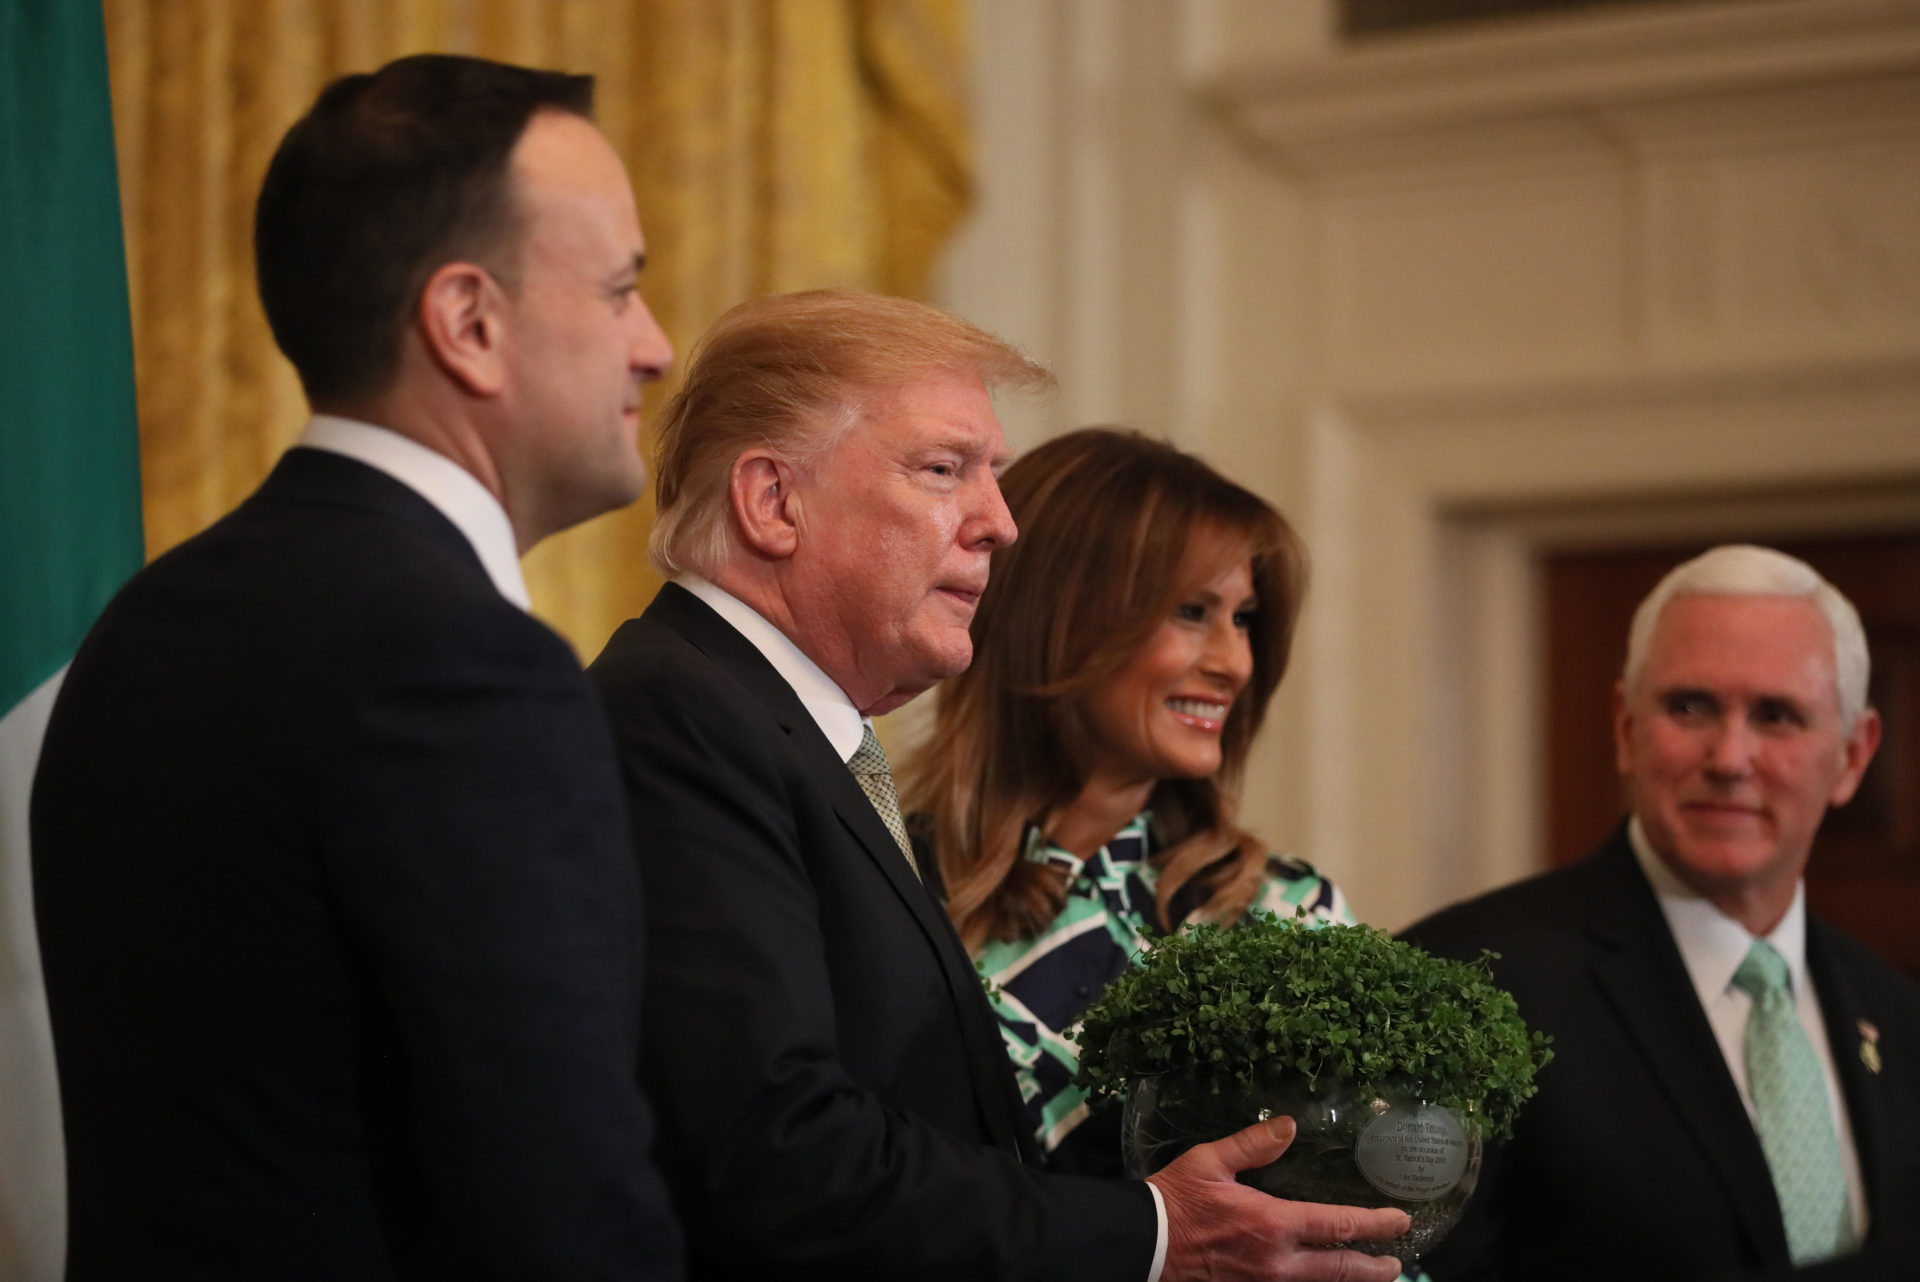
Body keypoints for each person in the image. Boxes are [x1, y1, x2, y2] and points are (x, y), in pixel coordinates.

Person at [588, 289, 1411, 1282]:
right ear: (772, 501)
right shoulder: (685, 714)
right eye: (944, 470)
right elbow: (772, 1151)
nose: (1002, 525)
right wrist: (1150, 1233)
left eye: (998, 477)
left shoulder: (785, 736)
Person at [31, 55, 683, 1281]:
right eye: (619, 291)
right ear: (469, 324)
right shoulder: (465, 670)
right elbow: (564, 1211)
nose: (653, 346)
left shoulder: (145, 621)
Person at [1402, 544, 1920, 1282]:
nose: (1731, 757)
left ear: (1854, 756)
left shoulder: (1900, 1021)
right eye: (1690, 706)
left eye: (1777, 716)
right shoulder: (1460, 986)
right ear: (1625, 727)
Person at [900, 427, 1354, 1176]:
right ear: (1054, 618)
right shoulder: (887, 883)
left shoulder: (1286, 916)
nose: (1234, 663)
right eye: (1191, 612)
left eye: (1244, 619)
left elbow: (1363, 1222)